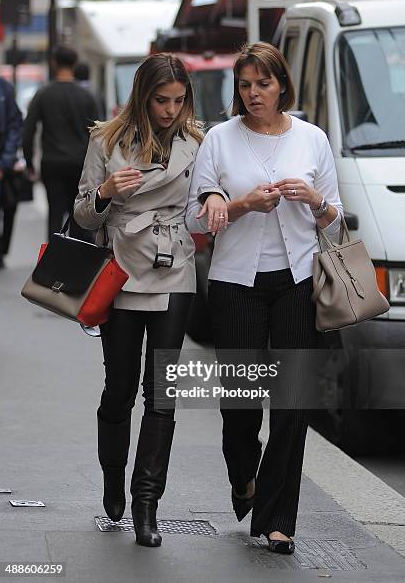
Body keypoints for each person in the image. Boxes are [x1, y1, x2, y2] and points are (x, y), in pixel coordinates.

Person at [186, 42, 343, 554]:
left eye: (264, 84)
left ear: (282, 86)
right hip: (235, 285)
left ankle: (279, 520)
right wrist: (235, 204)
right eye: (246, 85)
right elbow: (195, 216)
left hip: (298, 282)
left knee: (293, 404)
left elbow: (334, 218)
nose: (254, 94)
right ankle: (242, 476)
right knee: (240, 405)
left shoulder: (312, 139)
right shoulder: (219, 140)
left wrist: (317, 200)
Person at [73, 53, 204, 547]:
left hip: (175, 270)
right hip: (122, 270)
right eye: (160, 100)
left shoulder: (198, 141)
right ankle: (112, 478)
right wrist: (106, 190)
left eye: (178, 101)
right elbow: (84, 215)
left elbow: (209, 195)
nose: (170, 111)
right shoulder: (107, 139)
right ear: (142, 96)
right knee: (120, 388)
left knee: (162, 395)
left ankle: (147, 504)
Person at [23, 46, 99, 241]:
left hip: (52, 162)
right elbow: (98, 134)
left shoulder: (43, 94)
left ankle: (53, 262)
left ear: (54, 63)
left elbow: (28, 131)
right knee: (79, 215)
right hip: (80, 164)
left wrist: (29, 163)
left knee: (54, 214)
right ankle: (77, 263)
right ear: (74, 64)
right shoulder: (87, 96)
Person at [0, 75, 23, 269]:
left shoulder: (3, 88)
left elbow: (15, 126)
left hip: (0, 164)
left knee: (5, 208)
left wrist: (3, 163)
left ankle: (0, 251)